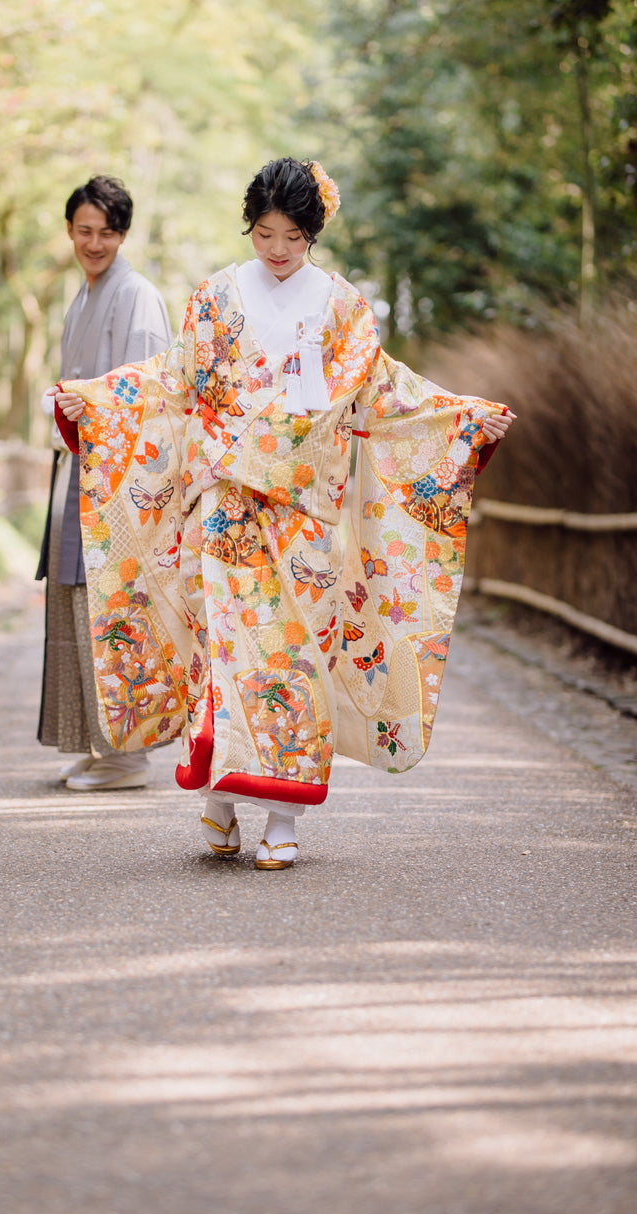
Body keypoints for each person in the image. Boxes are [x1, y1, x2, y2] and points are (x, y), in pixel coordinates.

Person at [50, 157, 514, 865]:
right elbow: (175, 379)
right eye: (264, 233)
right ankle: (219, 799)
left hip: (305, 509)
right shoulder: (216, 296)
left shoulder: (342, 306)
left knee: (293, 658)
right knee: (228, 650)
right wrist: (101, 398)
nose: (275, 250)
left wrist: (465, 417)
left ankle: (280, 820)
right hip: (227, 503)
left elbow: (383, 392)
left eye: (292, 238)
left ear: (314, 233)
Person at [36, 175, 172, 791]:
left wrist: (86, 405)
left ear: (123, 234)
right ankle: (98, 743)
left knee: (112, 610)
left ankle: (127, 753)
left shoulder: (136, 295)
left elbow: (149, 389)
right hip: (81, 470)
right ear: (69, 230)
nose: (95, 243)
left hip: (119, 479)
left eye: (108, 232)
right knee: (76, 603)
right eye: (85, 231)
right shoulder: (82, 299)